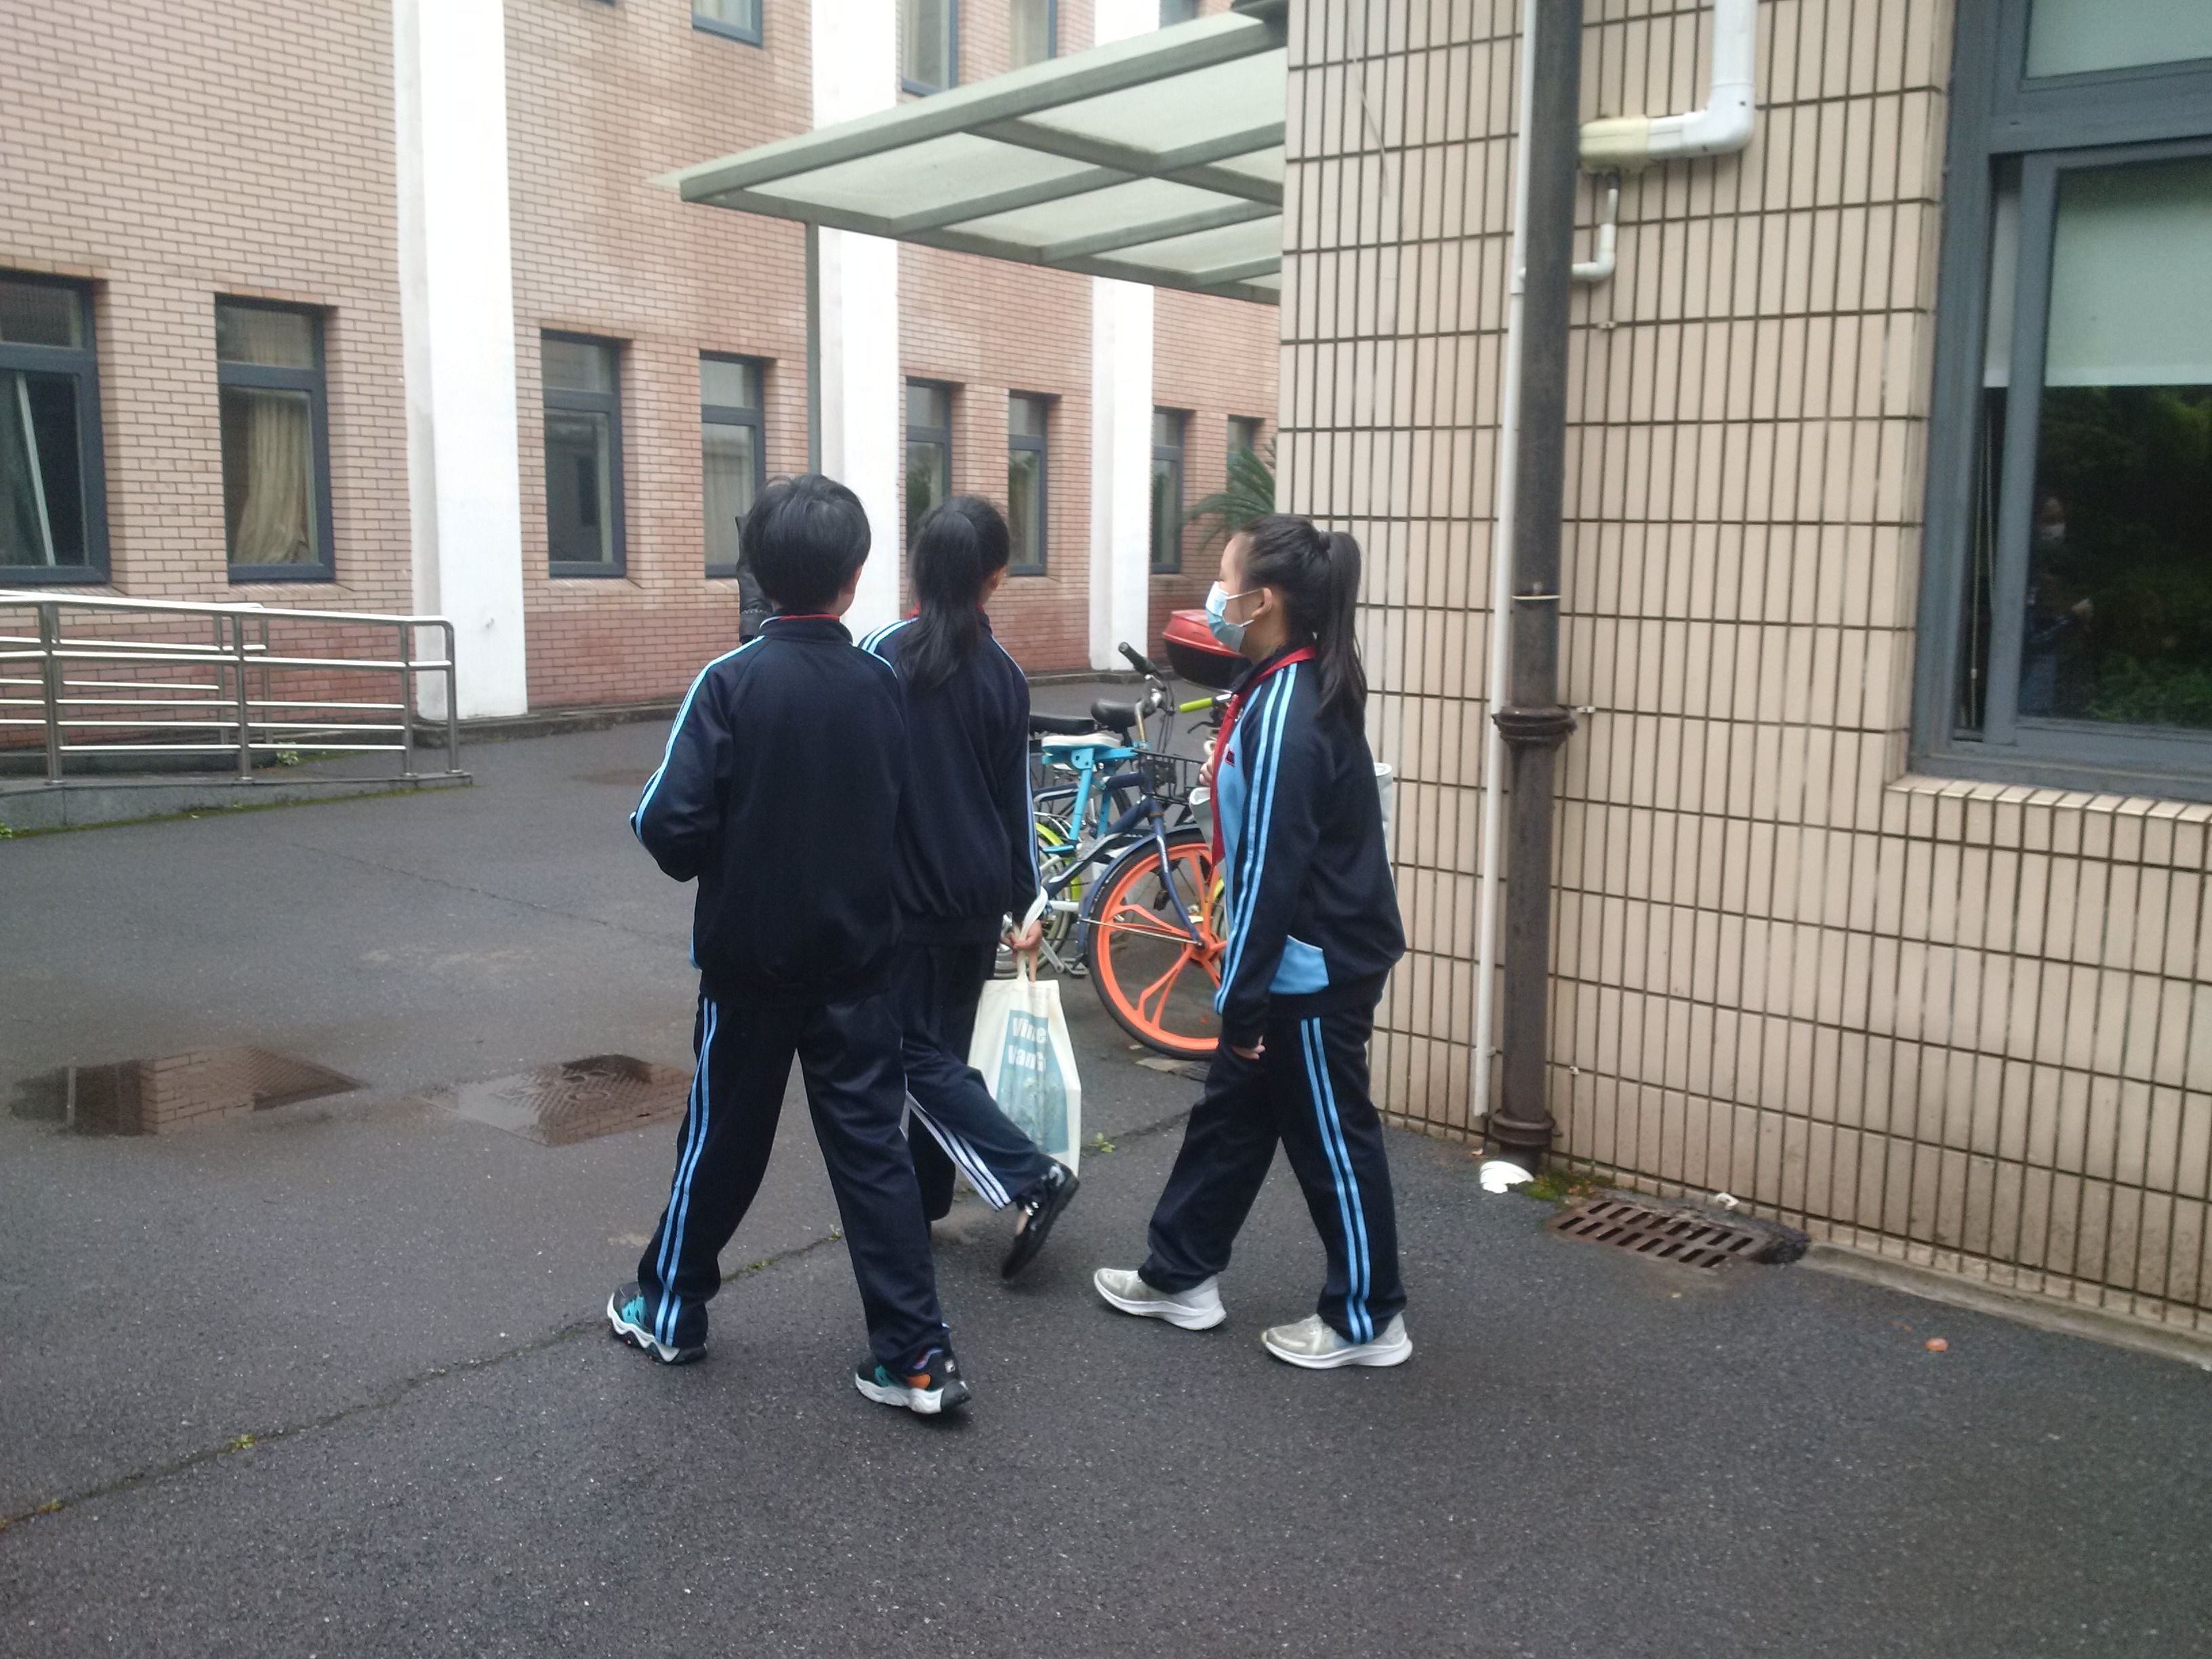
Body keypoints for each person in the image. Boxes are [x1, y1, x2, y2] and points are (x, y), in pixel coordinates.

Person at [609, 473, 968, 1416]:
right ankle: (916, 1357)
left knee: (723, 1138)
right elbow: (905, 817)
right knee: (872, 1151)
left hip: (750, 966)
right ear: (855, 578)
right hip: (860, 965)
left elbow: (666, 825)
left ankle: (671, 1307)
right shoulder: (883, 685)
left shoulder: (729, 684)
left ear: (759, 575)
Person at [1093, 514, 1411, 1369]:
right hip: (1298, 959)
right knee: (1232, 1119)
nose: (1214, 597)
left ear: (1262, 600)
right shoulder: (1279, 683)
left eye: (1225, 579)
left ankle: (1367, 1318)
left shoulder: (1287, 709)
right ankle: (1180, 1274)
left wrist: (1242, 1004)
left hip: (1313, 967)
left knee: (1332, 1137)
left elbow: (1272, 870)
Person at [862, 496, 1080, 1278]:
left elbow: (861, 782)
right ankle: (924, 1204)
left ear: (918, 568)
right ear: (996, 577)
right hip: (977, 899)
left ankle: (1029, 1175)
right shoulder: (1005, 675)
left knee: (903, 1053)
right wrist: (1027, 902)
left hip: (902, 898)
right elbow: (1013, 798)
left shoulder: (881, 656)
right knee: (942, 1052)